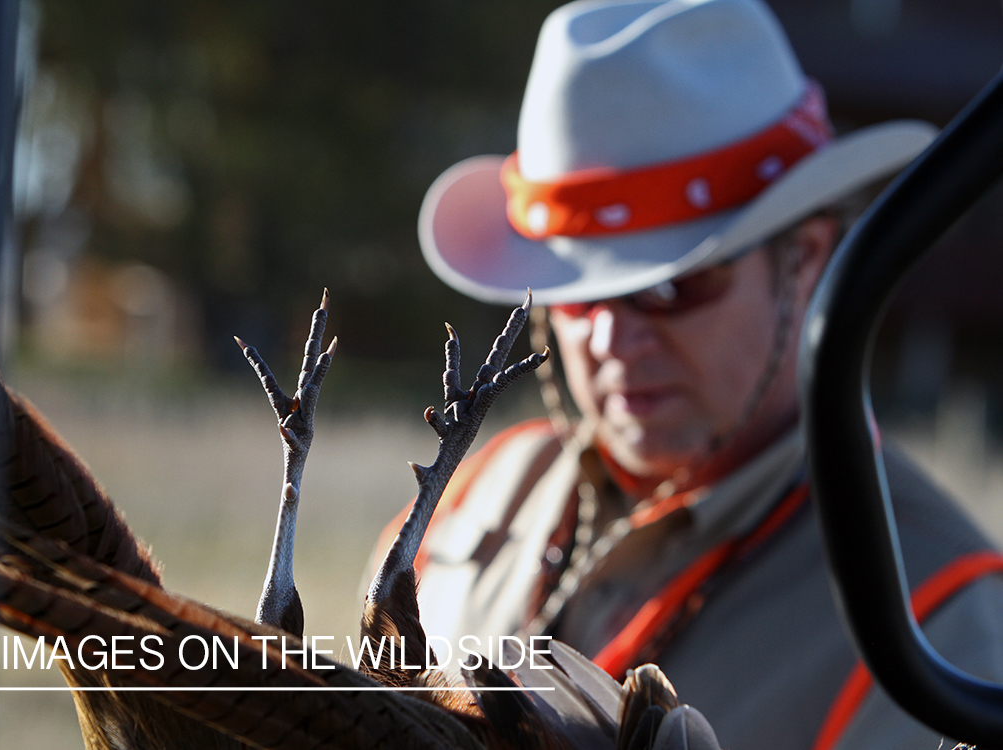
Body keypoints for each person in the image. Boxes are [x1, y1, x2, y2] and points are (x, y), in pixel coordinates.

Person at [378, 0, 1003, 748]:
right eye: (575, 294)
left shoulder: (938, 622)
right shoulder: (473, 492)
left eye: (673, 286)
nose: (610, 337)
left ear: (802, 259)